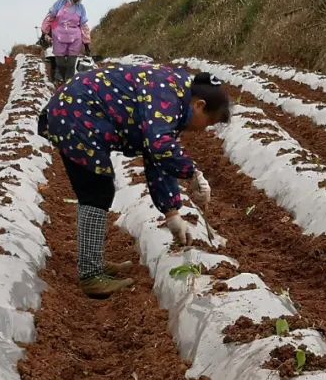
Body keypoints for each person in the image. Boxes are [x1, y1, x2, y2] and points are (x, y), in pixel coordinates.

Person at [39, 64, 231, 298]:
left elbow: (156, 157)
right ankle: (91, 274)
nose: (203, 130)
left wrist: (172, 213)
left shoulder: (176, 98)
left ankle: (95, 263)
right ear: (199, 106)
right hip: (76, 114)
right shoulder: (168, 95)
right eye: (208, 123)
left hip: (79, 113)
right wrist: (192, 173)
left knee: (98, 188)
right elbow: (158, 145)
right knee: (97, 191)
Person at [41, 0, 92, 85]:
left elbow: (83, 25)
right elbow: (50, 17)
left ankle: (69, 81)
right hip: (59, 35)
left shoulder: (81, 8)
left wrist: (86, 43)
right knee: (60, 61)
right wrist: (44, 32)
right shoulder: (59, 4)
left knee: (71, 62)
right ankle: (59, 77)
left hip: (75, 37)